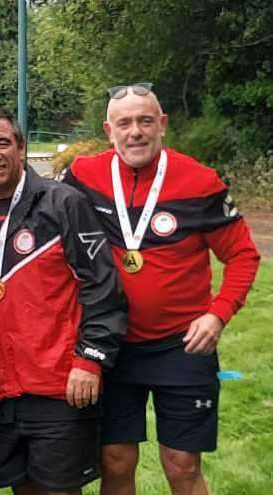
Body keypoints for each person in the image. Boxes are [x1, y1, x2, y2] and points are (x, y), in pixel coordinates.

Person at [61, 84, 261, 495]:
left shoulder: (201, 182)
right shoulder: (83, 175)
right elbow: (36, 201)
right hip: (111, 344)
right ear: (109, 130)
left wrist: (218, 313)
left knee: (182, 465)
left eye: (145, 121)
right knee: (115, 460)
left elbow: (243, 256)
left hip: (182, 346)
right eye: (125, 123)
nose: (135, 132)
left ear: (162, 125)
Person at [0, 106, 127, 495]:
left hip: (59, 387)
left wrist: (90, 359)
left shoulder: (63, 204)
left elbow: (103, 287)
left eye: (3, 143)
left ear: (21, 147)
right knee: (24, 489)